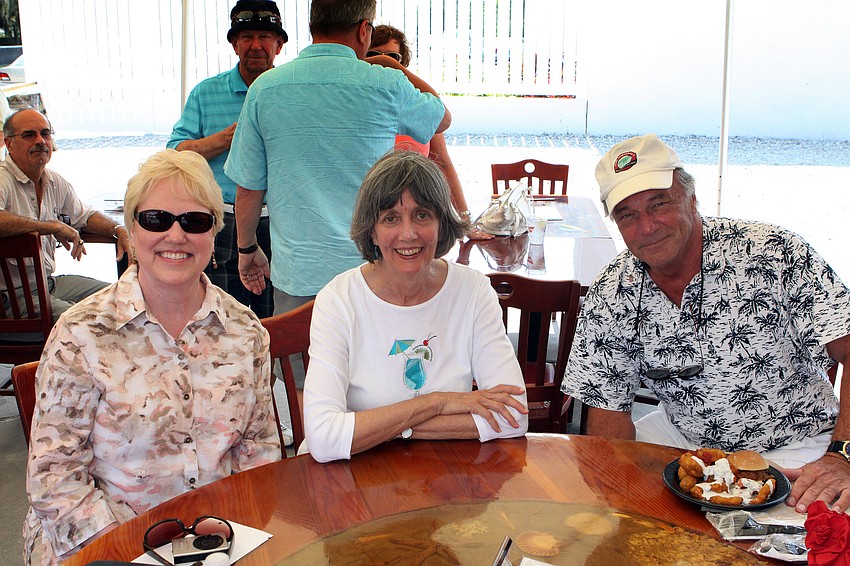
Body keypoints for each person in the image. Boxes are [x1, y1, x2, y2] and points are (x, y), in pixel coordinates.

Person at [561, 133, 850, 513]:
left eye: (659, 203)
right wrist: (618, 499)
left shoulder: (773, 252)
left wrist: (842, 455)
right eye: (627, 215)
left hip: (796, 443)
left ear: (692, 199)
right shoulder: (613, 291)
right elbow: (607, 409)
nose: (646, 227)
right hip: (684, 442)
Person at [22, 149, 280, 565]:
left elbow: (259, 449)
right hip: (104, 545)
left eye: (195, 221)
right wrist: (130, 551)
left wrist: (234, 532)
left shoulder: (246, 332)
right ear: (132, 228)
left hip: (218, 542)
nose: (175, 237)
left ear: (215, 233)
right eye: (156, 219)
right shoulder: (81, 334)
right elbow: (55, 478)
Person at [225, 0, 451, 316]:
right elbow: (441, 119)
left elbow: (248, 188)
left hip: (298, 276)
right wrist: (393, 65)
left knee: (300, 363)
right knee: (376, 363)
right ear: (364, 30)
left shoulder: (264, 88)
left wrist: (247, 249)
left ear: (312, 27)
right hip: (371, 271)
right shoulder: (385, 83)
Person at [302, 151, 528, 463]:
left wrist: (382, 426)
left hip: (446, 475)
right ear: (372, 230)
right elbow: (324, 438)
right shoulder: (338, 299)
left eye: (422, 215)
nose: (408, 234)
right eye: (390, 218)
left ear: (441, 223)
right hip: (354, 480)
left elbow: (512, 417)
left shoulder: (473, 292)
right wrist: (438, 403)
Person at [167, 0, 287, 318]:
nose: (256, 46)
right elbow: (176, 154)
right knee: (218, 316)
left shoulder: (292, 92)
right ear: (234, 44)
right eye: (246, 37)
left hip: (280, 221)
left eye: (265, 36)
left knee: (276, 318)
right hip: (221, 221)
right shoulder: (206, 93)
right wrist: (226, 138)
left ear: (280, 43)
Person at [0, 108, 130, 321]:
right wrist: (52, 226)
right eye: (29, 134)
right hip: (11, 298)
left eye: (45, 133)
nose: (40, 140)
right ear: (9, 143)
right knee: (88, 320)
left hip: (47, 284)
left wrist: (118, 229)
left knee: (123, 298)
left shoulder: (54, 181)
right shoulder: (2, 178)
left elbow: (85, 216)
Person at [368, 24, 493, 241]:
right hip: (378, 216)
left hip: (420, 213)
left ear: (403, 63)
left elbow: (443, 162)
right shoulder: (363, 102)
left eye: (391, 57)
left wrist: (464, 220)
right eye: (374, 55)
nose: (383, 62)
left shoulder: (416, 104)